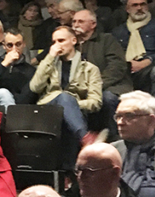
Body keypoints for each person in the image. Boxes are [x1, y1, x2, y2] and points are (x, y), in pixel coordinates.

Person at [30, 25, 103, 162]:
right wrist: (49, 57)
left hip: (75, 113)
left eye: (61, 40)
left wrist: (71, 104)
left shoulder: (90, 69)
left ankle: (70, 172)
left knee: (67, 107)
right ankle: (86, 138)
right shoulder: (48, 64)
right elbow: (35, 87)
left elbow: (96, 102)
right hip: (49, 109)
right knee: (63, 97)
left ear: (73, 41)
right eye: (54, 42)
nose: (57, 45)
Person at [72, 8, 133, 136]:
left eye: (80, 21)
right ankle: (83, 139)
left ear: (93, 24)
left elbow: (117, 66)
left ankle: (116, 138)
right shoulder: (71, 45)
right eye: (74, 22)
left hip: (111, 86)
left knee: (107, 98)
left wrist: (97, 85)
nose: (76, 25)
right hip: (81, 89)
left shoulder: (106, 40)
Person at [111, 0, 155, 99]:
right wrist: (128, 64)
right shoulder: (118, 31)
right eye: (135, 5)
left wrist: (145, 62)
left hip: (150, 67)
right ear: (127, 9)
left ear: (147, 7)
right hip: (126, 70)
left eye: (142, 4)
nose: (139, 8)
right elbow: (114, 55)